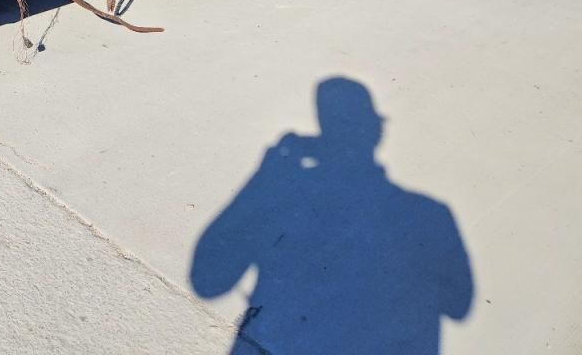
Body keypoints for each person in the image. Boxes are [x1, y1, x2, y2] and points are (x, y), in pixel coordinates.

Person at [190, 77, 473, 355]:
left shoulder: (286, 203)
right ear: (376, 131)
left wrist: (264, 179)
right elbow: (459, 304)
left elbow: (208, 280)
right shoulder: (428, 216)